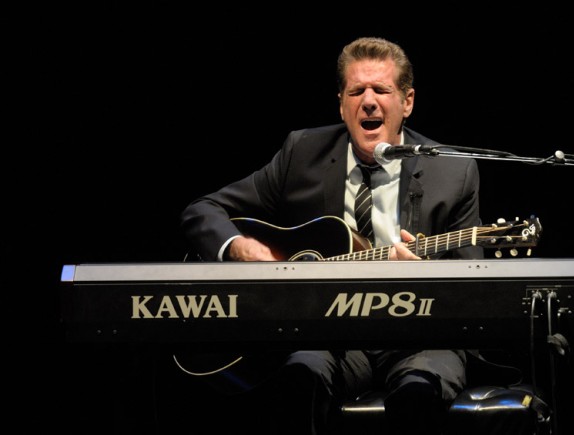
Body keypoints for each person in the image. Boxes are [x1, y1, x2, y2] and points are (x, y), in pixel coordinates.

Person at [180, 36, 483, 435]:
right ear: (342, 103)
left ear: (407, 102)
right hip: (332, 337)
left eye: (382, 90)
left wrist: (423, 280)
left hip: (418, 337)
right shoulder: (301, 153)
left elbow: (473, 288)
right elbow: (202, 210)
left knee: (417, 393)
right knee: (299, 377)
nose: (369, 102)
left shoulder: (453, 172)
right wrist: (239, 247)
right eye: (357, 91)